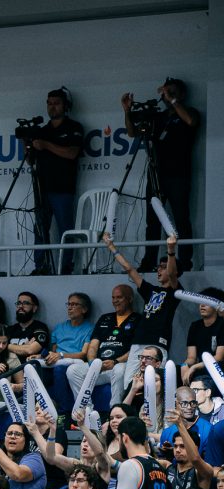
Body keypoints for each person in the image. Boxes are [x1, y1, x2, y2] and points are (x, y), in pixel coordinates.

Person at [121, 79, 199, 269]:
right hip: (156, 174)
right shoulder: (158, 117)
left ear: (181, 95)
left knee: (181, 219)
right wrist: (127, 111)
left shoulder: (189, 112)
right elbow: (132, 133)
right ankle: (149, 261)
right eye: (165, 93)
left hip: (179, 175)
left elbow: (191, 121)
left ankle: (185, 262)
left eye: (172, 92)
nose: (167, 95)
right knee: (152, 221)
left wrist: (173, 100)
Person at [105, 231, 180, 390]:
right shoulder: (151, 290)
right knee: (129, 383)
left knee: (155, 383)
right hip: (139, 341)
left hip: (157, 342)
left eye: (163, 267)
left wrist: (171, 250)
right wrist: (111, 246)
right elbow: (129, 269)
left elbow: (173, 274)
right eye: (158, 267)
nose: (159, 270)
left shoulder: (175, 291)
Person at [25, 88, 82, 275]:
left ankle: (65, 267)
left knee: (65, 230)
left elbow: (72, 153)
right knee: (40, 229)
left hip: (63, 187)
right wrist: (27, 144)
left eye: (56, 103)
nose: (52, 107)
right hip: (42, 188)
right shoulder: (42, 131)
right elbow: (30, 161)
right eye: (49, 103)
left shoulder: (74, 127)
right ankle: (41, 266)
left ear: (65, 106)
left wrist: (46, 145)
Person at [65, 284, 136, 406]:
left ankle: (115, 410)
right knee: (73, 371)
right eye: (113, 297)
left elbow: (136, 350)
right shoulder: (105, 318)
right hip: (99, 366)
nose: (115, 301)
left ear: (130, 299)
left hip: (118, 366)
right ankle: (85, 409)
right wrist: (93, 363)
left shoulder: (138, 319)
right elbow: (93, 345)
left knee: (120, 370)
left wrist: (115, 361)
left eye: (119, 297)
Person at [0, 422, 46, 489]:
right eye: (9, 433)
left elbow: (18, 474)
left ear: (26, 440)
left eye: (18, 434)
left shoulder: (34, 458)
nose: (12, 436)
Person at [181, 288, 224, 386]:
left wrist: (194, 367)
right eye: (201, 302)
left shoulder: (222, 325)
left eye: (207, 302)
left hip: (218, 368)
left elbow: (219, 357)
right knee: (179, 369)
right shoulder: (195, 326)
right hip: (201, 367)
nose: (202, 305)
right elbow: (191, 357)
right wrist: (185, 365)